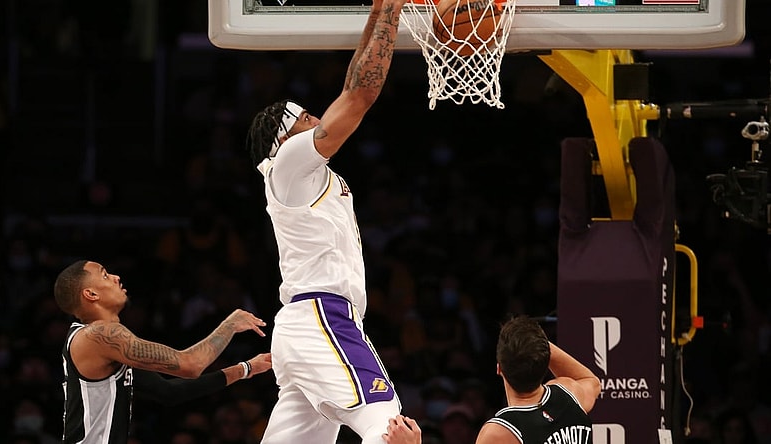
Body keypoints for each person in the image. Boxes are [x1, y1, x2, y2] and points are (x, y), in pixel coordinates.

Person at [245, 0, 408, 442]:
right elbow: (359, 95)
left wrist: (379, 11)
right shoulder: (288, 162)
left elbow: (351, 83)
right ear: (284, 138)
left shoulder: (304, 172)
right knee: (387, 423)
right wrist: (392, 8)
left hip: (306, 325)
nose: (317, 118)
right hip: (323, 315)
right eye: (305, 118)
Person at [53, 259, 272, 444]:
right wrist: (230, 325)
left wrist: (245, 369)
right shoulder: (100, 335)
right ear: (90, 294)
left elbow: (168, 391)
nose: (116, 277)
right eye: (104, 275)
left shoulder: (102, 345)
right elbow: (190, 364)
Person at [384, 315, 601, 444]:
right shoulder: (568, 393)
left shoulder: (501, 431)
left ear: (499, 369)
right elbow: (590, 379)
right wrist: (536, 343)